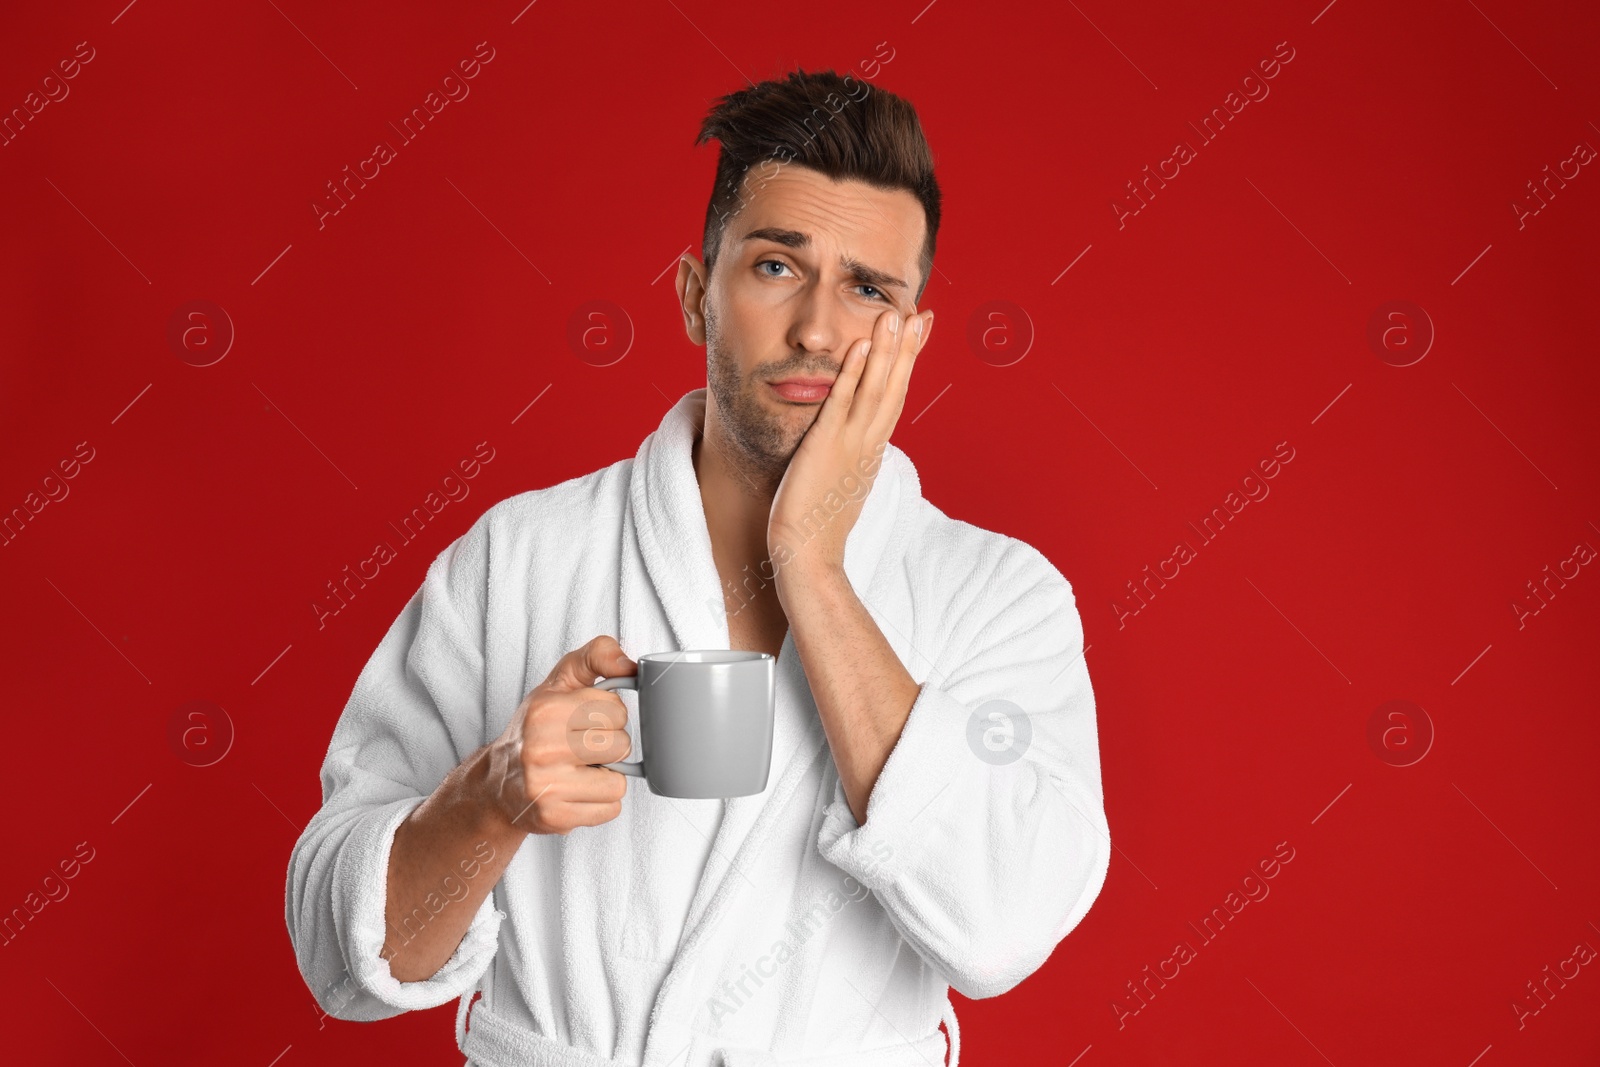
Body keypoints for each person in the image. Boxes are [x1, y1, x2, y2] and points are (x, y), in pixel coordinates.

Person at [286, 67, 1110, 1067]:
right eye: (775, 266)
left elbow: (1006, 924)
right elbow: (336, 955)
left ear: (910, 336)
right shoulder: (517, 558)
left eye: (867, 288)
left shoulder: (1000, 597)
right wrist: (488, 799)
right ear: (693, 297)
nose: (815, 327)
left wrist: (813, 569)